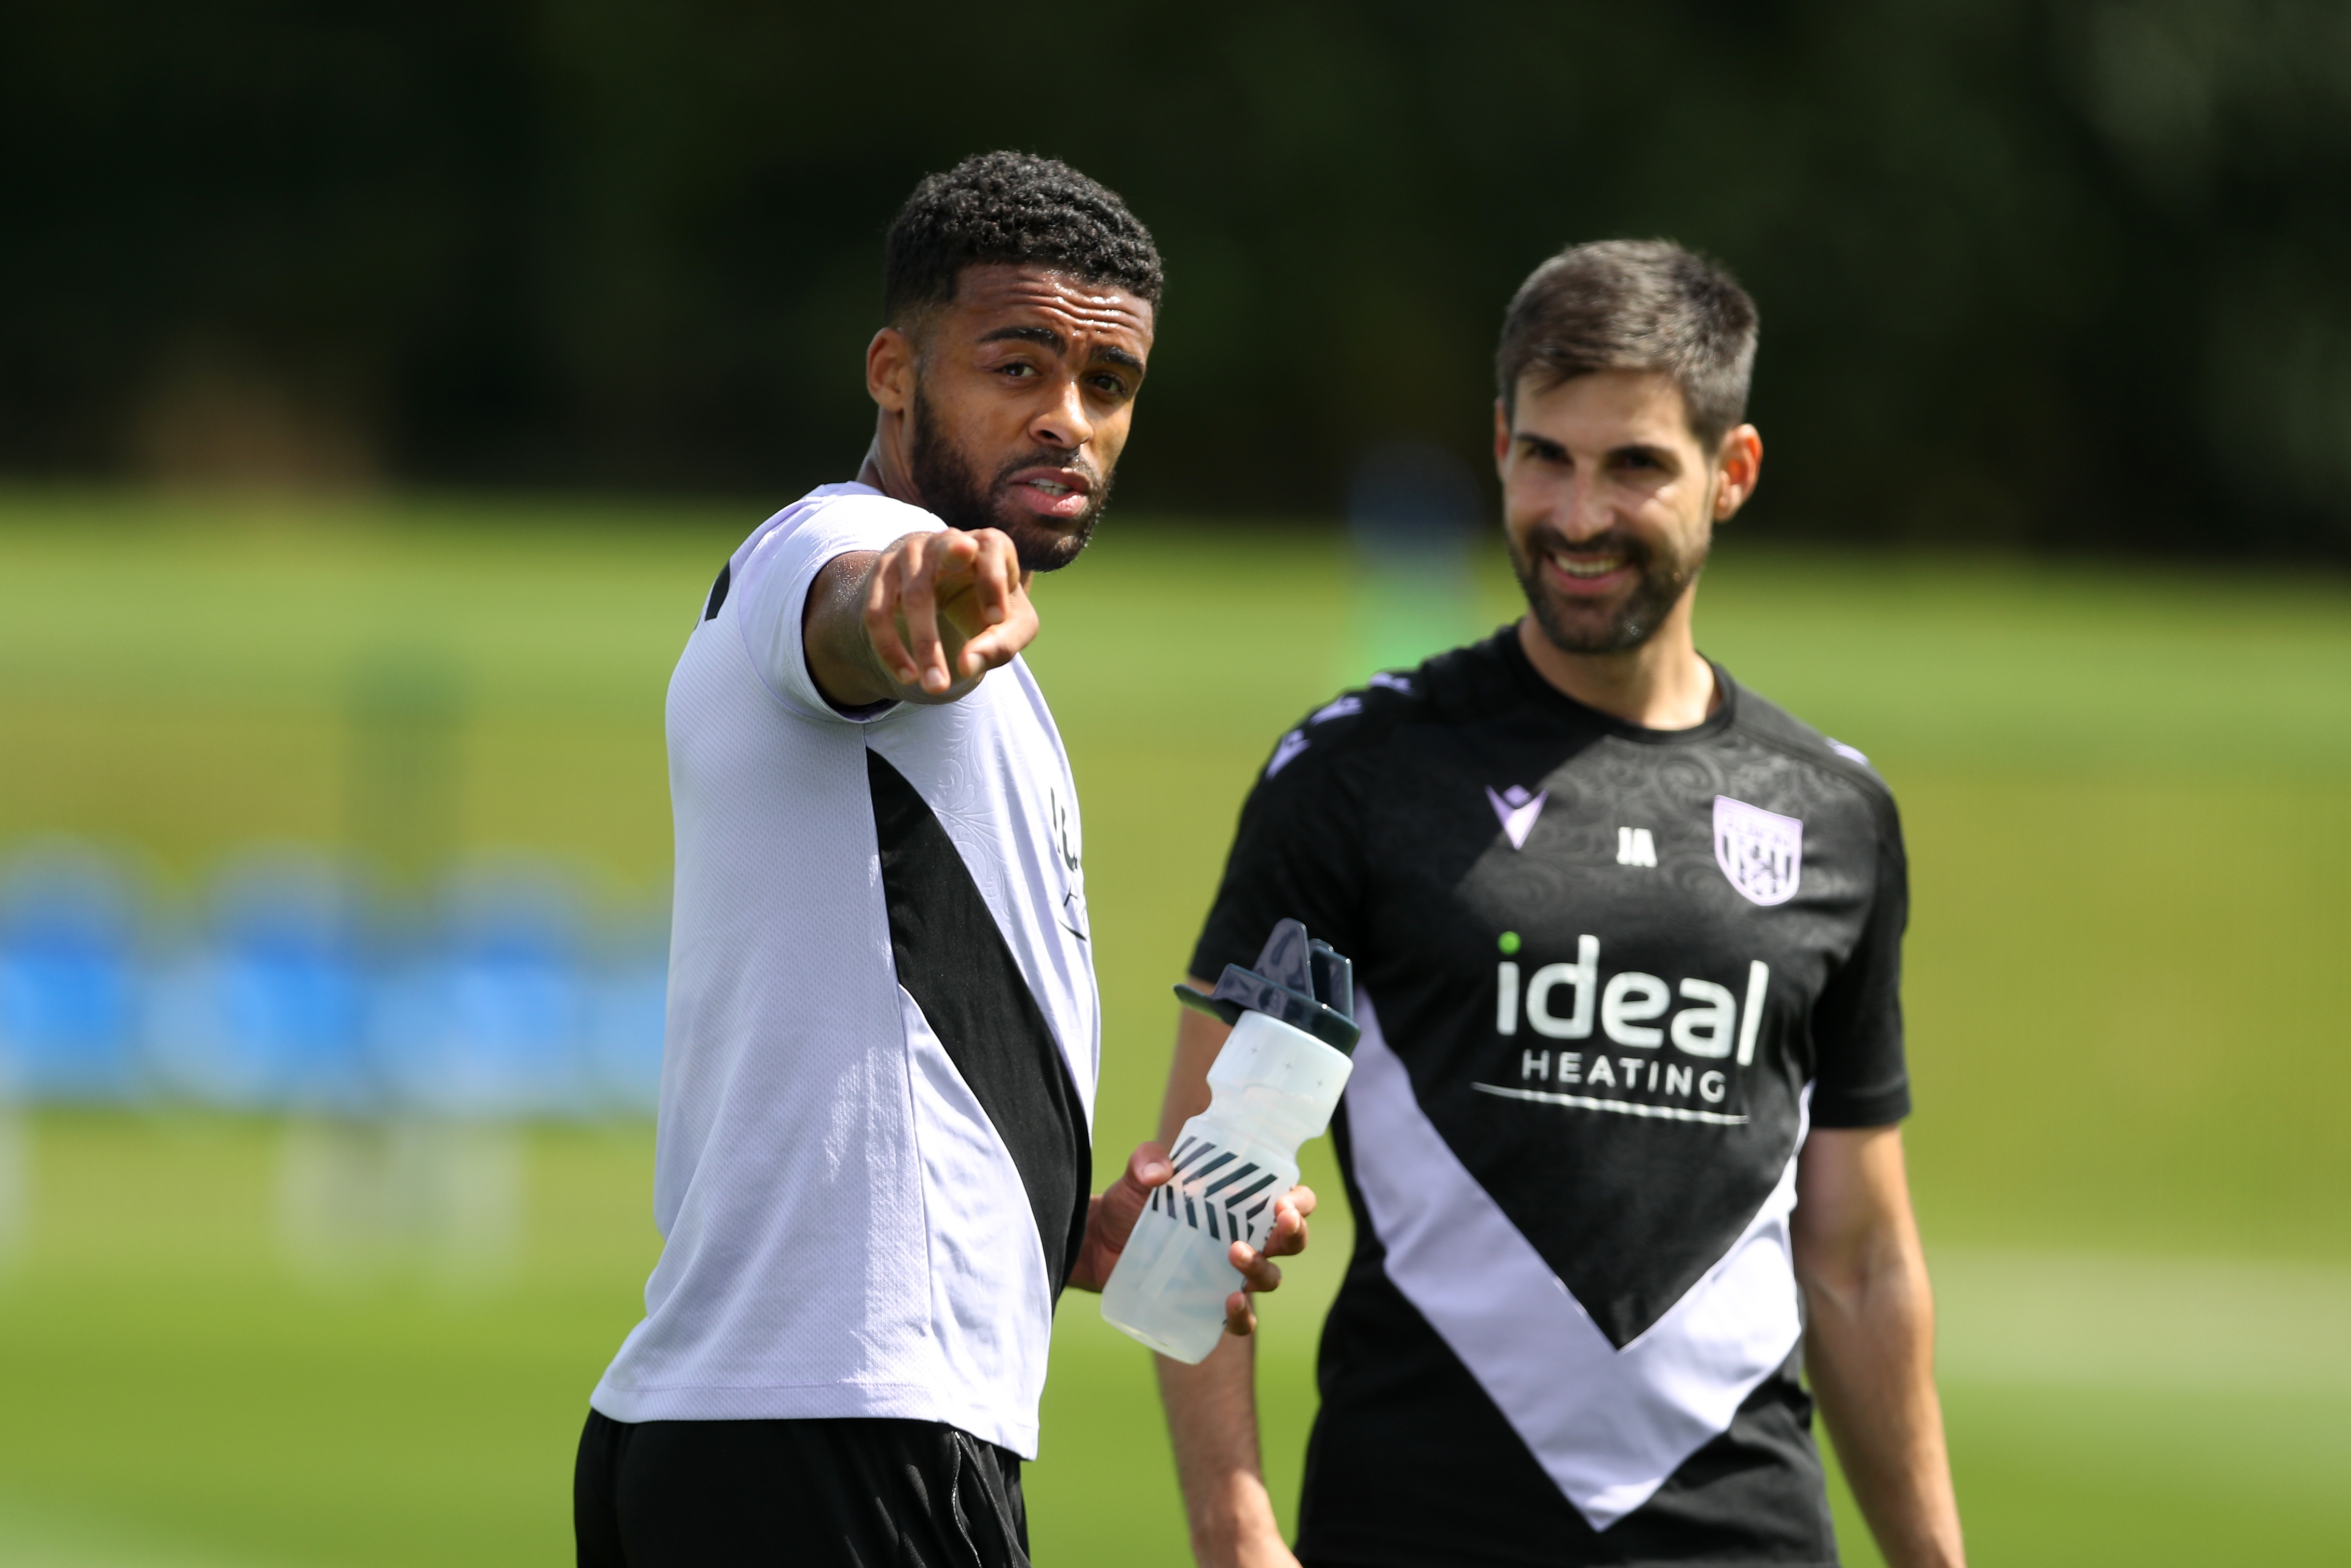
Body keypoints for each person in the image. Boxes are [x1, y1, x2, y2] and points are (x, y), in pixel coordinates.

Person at [1155, 240, 1965, 1567]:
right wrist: (1237, 1536)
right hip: (1416, 1521)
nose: (1578, 512)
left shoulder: (1834, 815)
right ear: (1498, 446)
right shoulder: (1356, 779)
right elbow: (1206, 1180)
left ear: (1734, 472)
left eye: (1635, 464)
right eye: (1547, 456)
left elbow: (1862, 1260)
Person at [574, 151, 1306, 1568]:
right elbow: (842, 612)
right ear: (893, 372)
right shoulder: (844, 544)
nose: (1069, 419)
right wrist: (902, 602)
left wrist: (1075, 1231)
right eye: (1017, 365)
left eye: (1110, 384)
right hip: (837, 1433)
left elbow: (909, 1043)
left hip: (803, 1425)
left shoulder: (1000, 692)